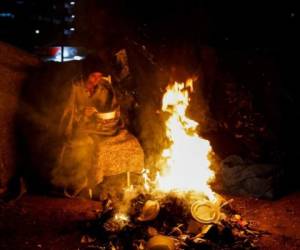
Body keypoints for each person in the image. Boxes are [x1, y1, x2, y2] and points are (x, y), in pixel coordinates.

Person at [51, 58, 144, 199]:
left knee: (131, 143)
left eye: (100, 76)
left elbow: (113, 109)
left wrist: (106, 117)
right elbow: (66, 113)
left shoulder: (105, 86)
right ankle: (88, 187)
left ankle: (121, 184)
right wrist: (82, 113)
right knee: (97, 147)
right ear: (85, 74)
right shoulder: (74, 87)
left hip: (104, 127)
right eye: (93, 75)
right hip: (82, 127)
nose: (97, 79)